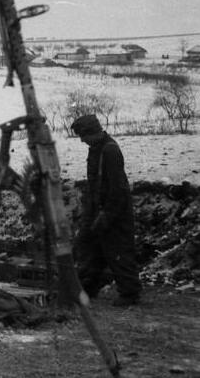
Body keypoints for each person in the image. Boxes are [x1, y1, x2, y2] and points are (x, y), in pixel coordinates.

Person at [71, 114, 142, 306]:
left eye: (83, 135)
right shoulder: (96, 149)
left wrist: (107, 215)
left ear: (92, 132)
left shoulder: (110, 151)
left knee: (118, 249)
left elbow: (118, 188)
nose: (82, 140)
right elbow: (95, 183)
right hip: (96, 207)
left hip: (115, 209)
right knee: (90, 246)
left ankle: (130, 294)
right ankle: (89, 287)